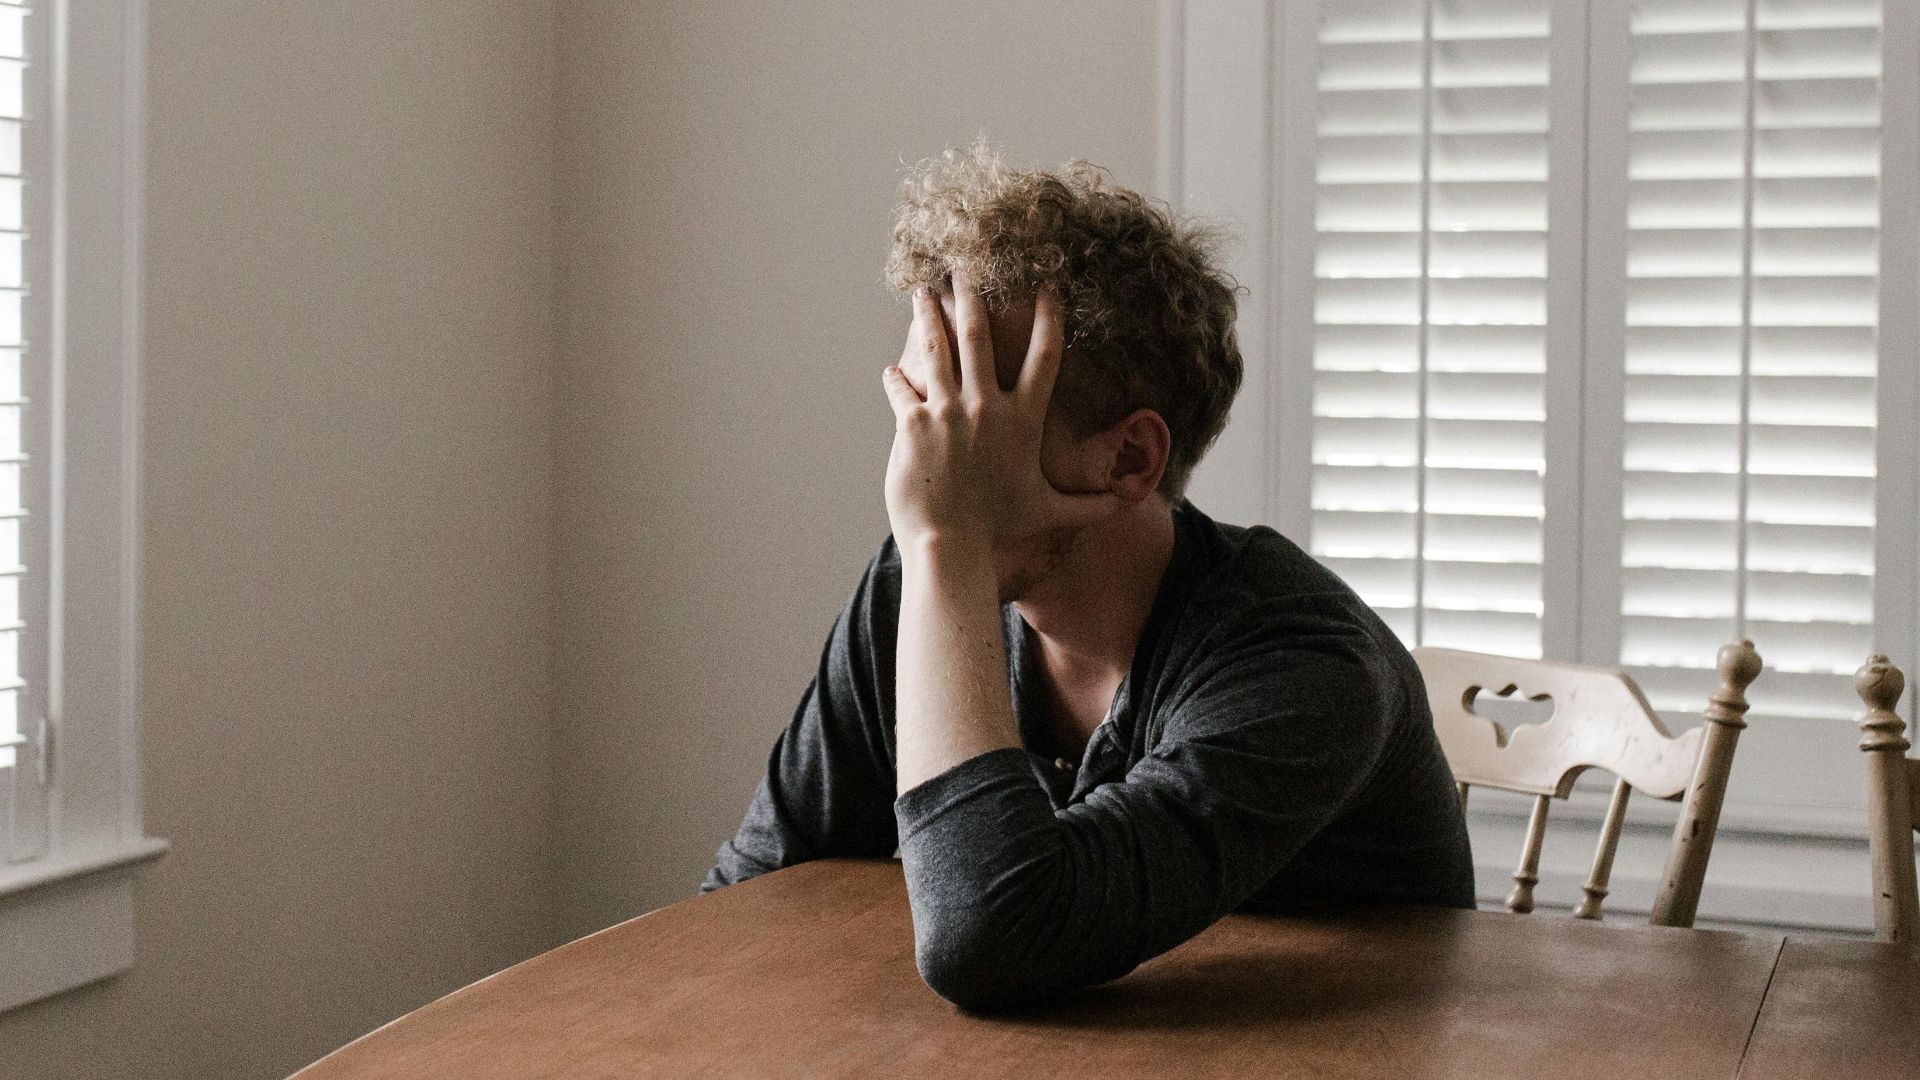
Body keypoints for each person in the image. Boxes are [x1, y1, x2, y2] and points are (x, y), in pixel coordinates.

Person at [703, 142, 1475, 1010]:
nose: (921, 463)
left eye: (971, 415)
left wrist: (946, 546)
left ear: (1129, 457)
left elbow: (989, 938)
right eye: (920, 408)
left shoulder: (1305, 665)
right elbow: (750, 899)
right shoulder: (919, 582)